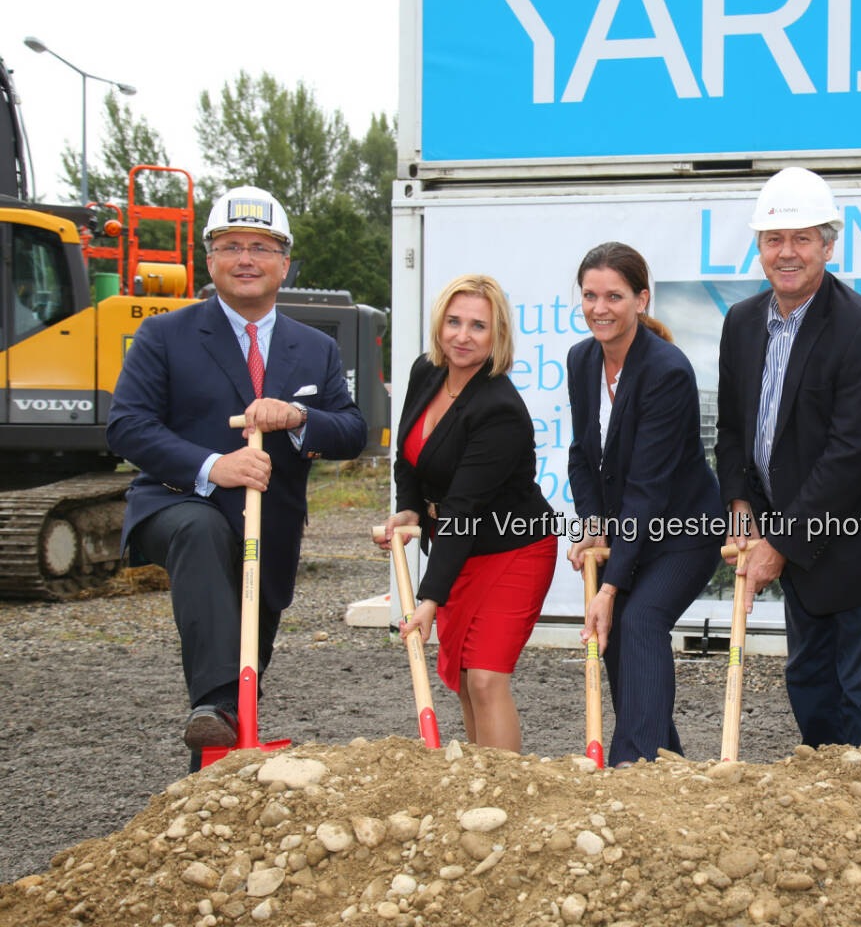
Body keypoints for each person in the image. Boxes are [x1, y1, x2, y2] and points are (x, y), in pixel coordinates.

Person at [107, 185, 367, 770]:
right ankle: (216, 704)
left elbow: (352, 430)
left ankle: (218, 765)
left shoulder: (316, 348)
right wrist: (213, 467)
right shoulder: (164, 336)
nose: (245, 258)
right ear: (209, 260)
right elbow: (127, 427)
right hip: (177, 504)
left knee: (248, 653)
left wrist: (300, 417)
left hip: (268, 526)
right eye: (229, 246)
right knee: (202, 535)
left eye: (259, 246)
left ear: (284, 262)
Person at [715, 167, 861, 749]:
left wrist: (779, 545)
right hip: (805, 557)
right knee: (810, 687)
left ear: (829, 246)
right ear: (758, 247)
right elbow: (733, 431)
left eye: (802, 238)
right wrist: (740, 506)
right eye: (774, 239)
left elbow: (848, 456)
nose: (787, 253)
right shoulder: (741, 323)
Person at [377, 274, 557, 752]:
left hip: (513, 549)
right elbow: (407, 456)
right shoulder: (426, 372)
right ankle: (478, 785)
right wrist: (409, 509)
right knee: (460, 674)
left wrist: (429, 598)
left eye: (478, 326)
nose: (462, 335)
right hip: (460, 548)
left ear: (497, 337)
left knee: (484, 677)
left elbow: (462, 510)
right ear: (439, 324)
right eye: (454, 321)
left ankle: (505, 793)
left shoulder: (499, 409)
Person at [565, 242, 723, 763]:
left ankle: (633, 767)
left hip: (683, 535)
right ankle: (666, 764)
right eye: (590, 295)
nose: (599, 308)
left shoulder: (667, 372)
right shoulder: (582, 359)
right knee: (620, 651)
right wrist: (591, 525)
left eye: (614, 295)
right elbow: (582, 456)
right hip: (630, 532)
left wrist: (608, 587)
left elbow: (648, 491)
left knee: (638, 621)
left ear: (641, 300)